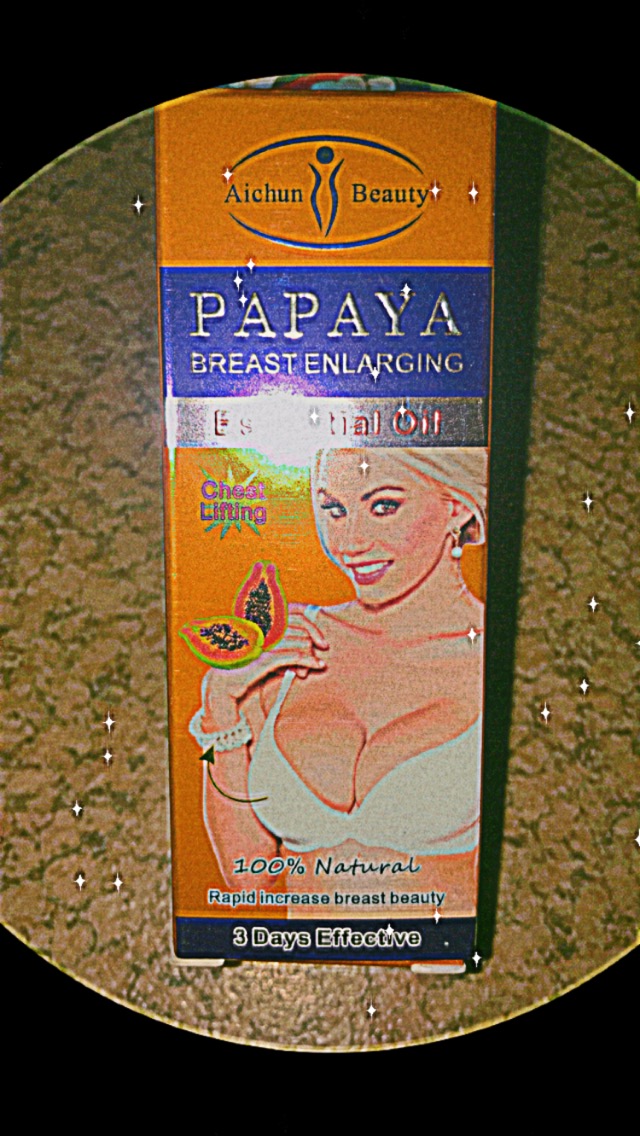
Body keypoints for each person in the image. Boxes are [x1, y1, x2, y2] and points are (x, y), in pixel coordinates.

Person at [189, 447, 487, 902]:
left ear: (458, 507)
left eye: (383, 506)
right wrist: (219, 706)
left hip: (437, 943)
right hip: (300, 941)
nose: (349, 543)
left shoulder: (491, 655)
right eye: (334, 509)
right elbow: (247, 877)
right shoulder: (290, 643)